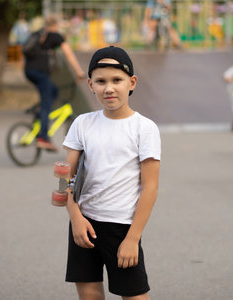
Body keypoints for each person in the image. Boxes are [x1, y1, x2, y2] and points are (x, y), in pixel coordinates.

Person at [62, 46, 161, 299]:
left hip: (122, 228)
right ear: (90, 84)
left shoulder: (144, 128)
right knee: (89, 294)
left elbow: (150, 187)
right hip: (83, 225)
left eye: (117, 80)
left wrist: (132, 238)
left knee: (135, 295)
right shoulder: (82, 123)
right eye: (101, 81)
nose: (109, 88)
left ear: (132, 82)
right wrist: (75, 218)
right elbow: (65, 178)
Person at [23, 15, 85, 152]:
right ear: (56, 25)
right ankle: (43, 138)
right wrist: (78, 71)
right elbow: (68, 54)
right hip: (40, 73)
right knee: (46, 102)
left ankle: (38, 115)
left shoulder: (37, 34)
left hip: (29, 71)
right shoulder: (55, 36)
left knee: (54, 91)